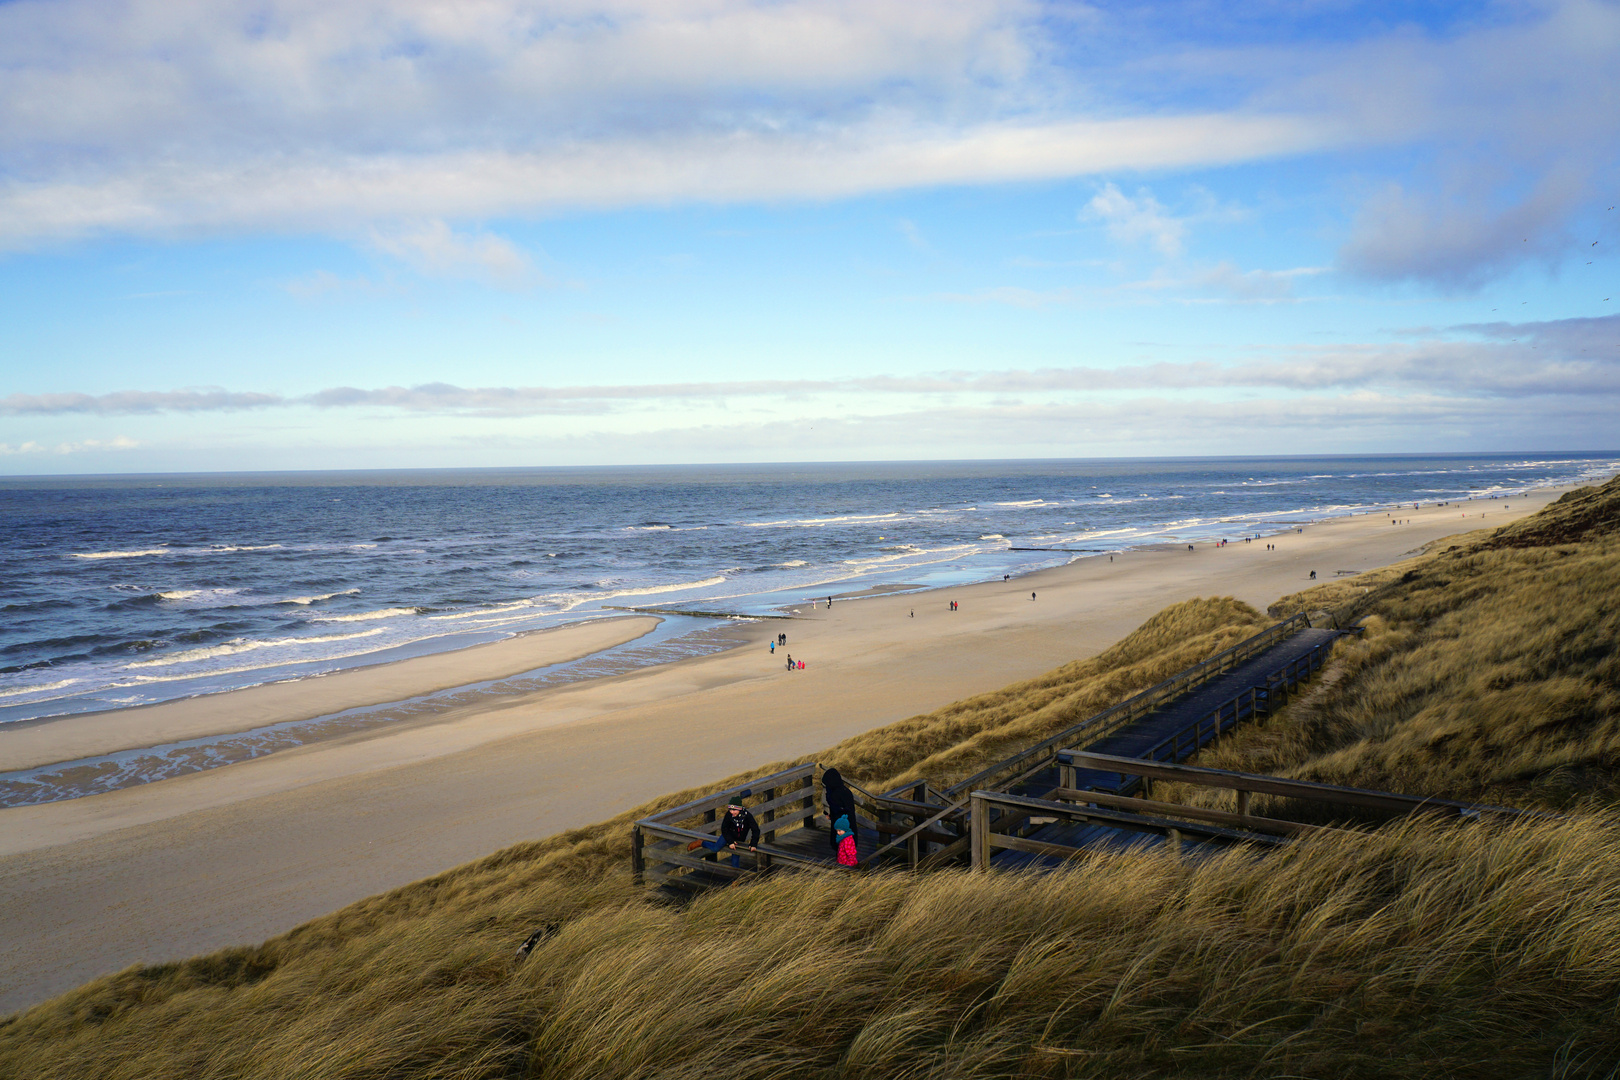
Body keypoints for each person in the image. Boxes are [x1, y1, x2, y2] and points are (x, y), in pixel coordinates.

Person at [688, 794, 760, 868]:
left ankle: (736, 878)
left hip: (739, 839)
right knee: (715, 848)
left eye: (734, 810)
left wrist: (753, 844)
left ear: (740, 809)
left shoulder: (747, 816)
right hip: (727, 835)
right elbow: (724, 828)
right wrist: (730, 841)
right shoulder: (729, 815)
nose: (732, 812)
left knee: (735, 859)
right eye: (730, 810)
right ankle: (701, 843)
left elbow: (756, 830)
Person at [822, 768, 858, 866]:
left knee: (843, 846)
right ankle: (848, 862)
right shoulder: (846, 791)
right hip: (849, 823)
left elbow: (837, 809)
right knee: (848, 846)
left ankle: (846, 865)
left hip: (841, 825)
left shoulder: (834, 794)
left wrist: (832, 815)